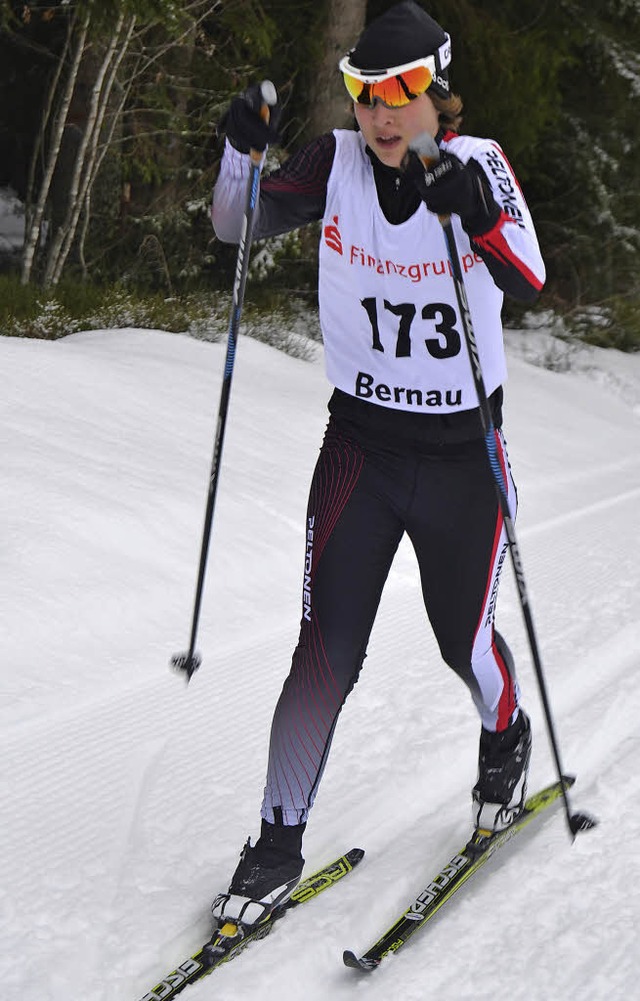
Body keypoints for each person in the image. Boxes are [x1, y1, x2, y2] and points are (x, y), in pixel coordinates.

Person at [210, 0, 544, 933]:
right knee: (324, 651)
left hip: (462, 458)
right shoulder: (335, 160)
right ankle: (276, 843)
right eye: (365, 93)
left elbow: (528, 279)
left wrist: (475, 218)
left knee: (461, 640)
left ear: (439, 96)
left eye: (401, 94)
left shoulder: (479, 167)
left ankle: (506, 737)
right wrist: (240, 154)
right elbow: (236, 230)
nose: (381, 114)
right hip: (360, 444)